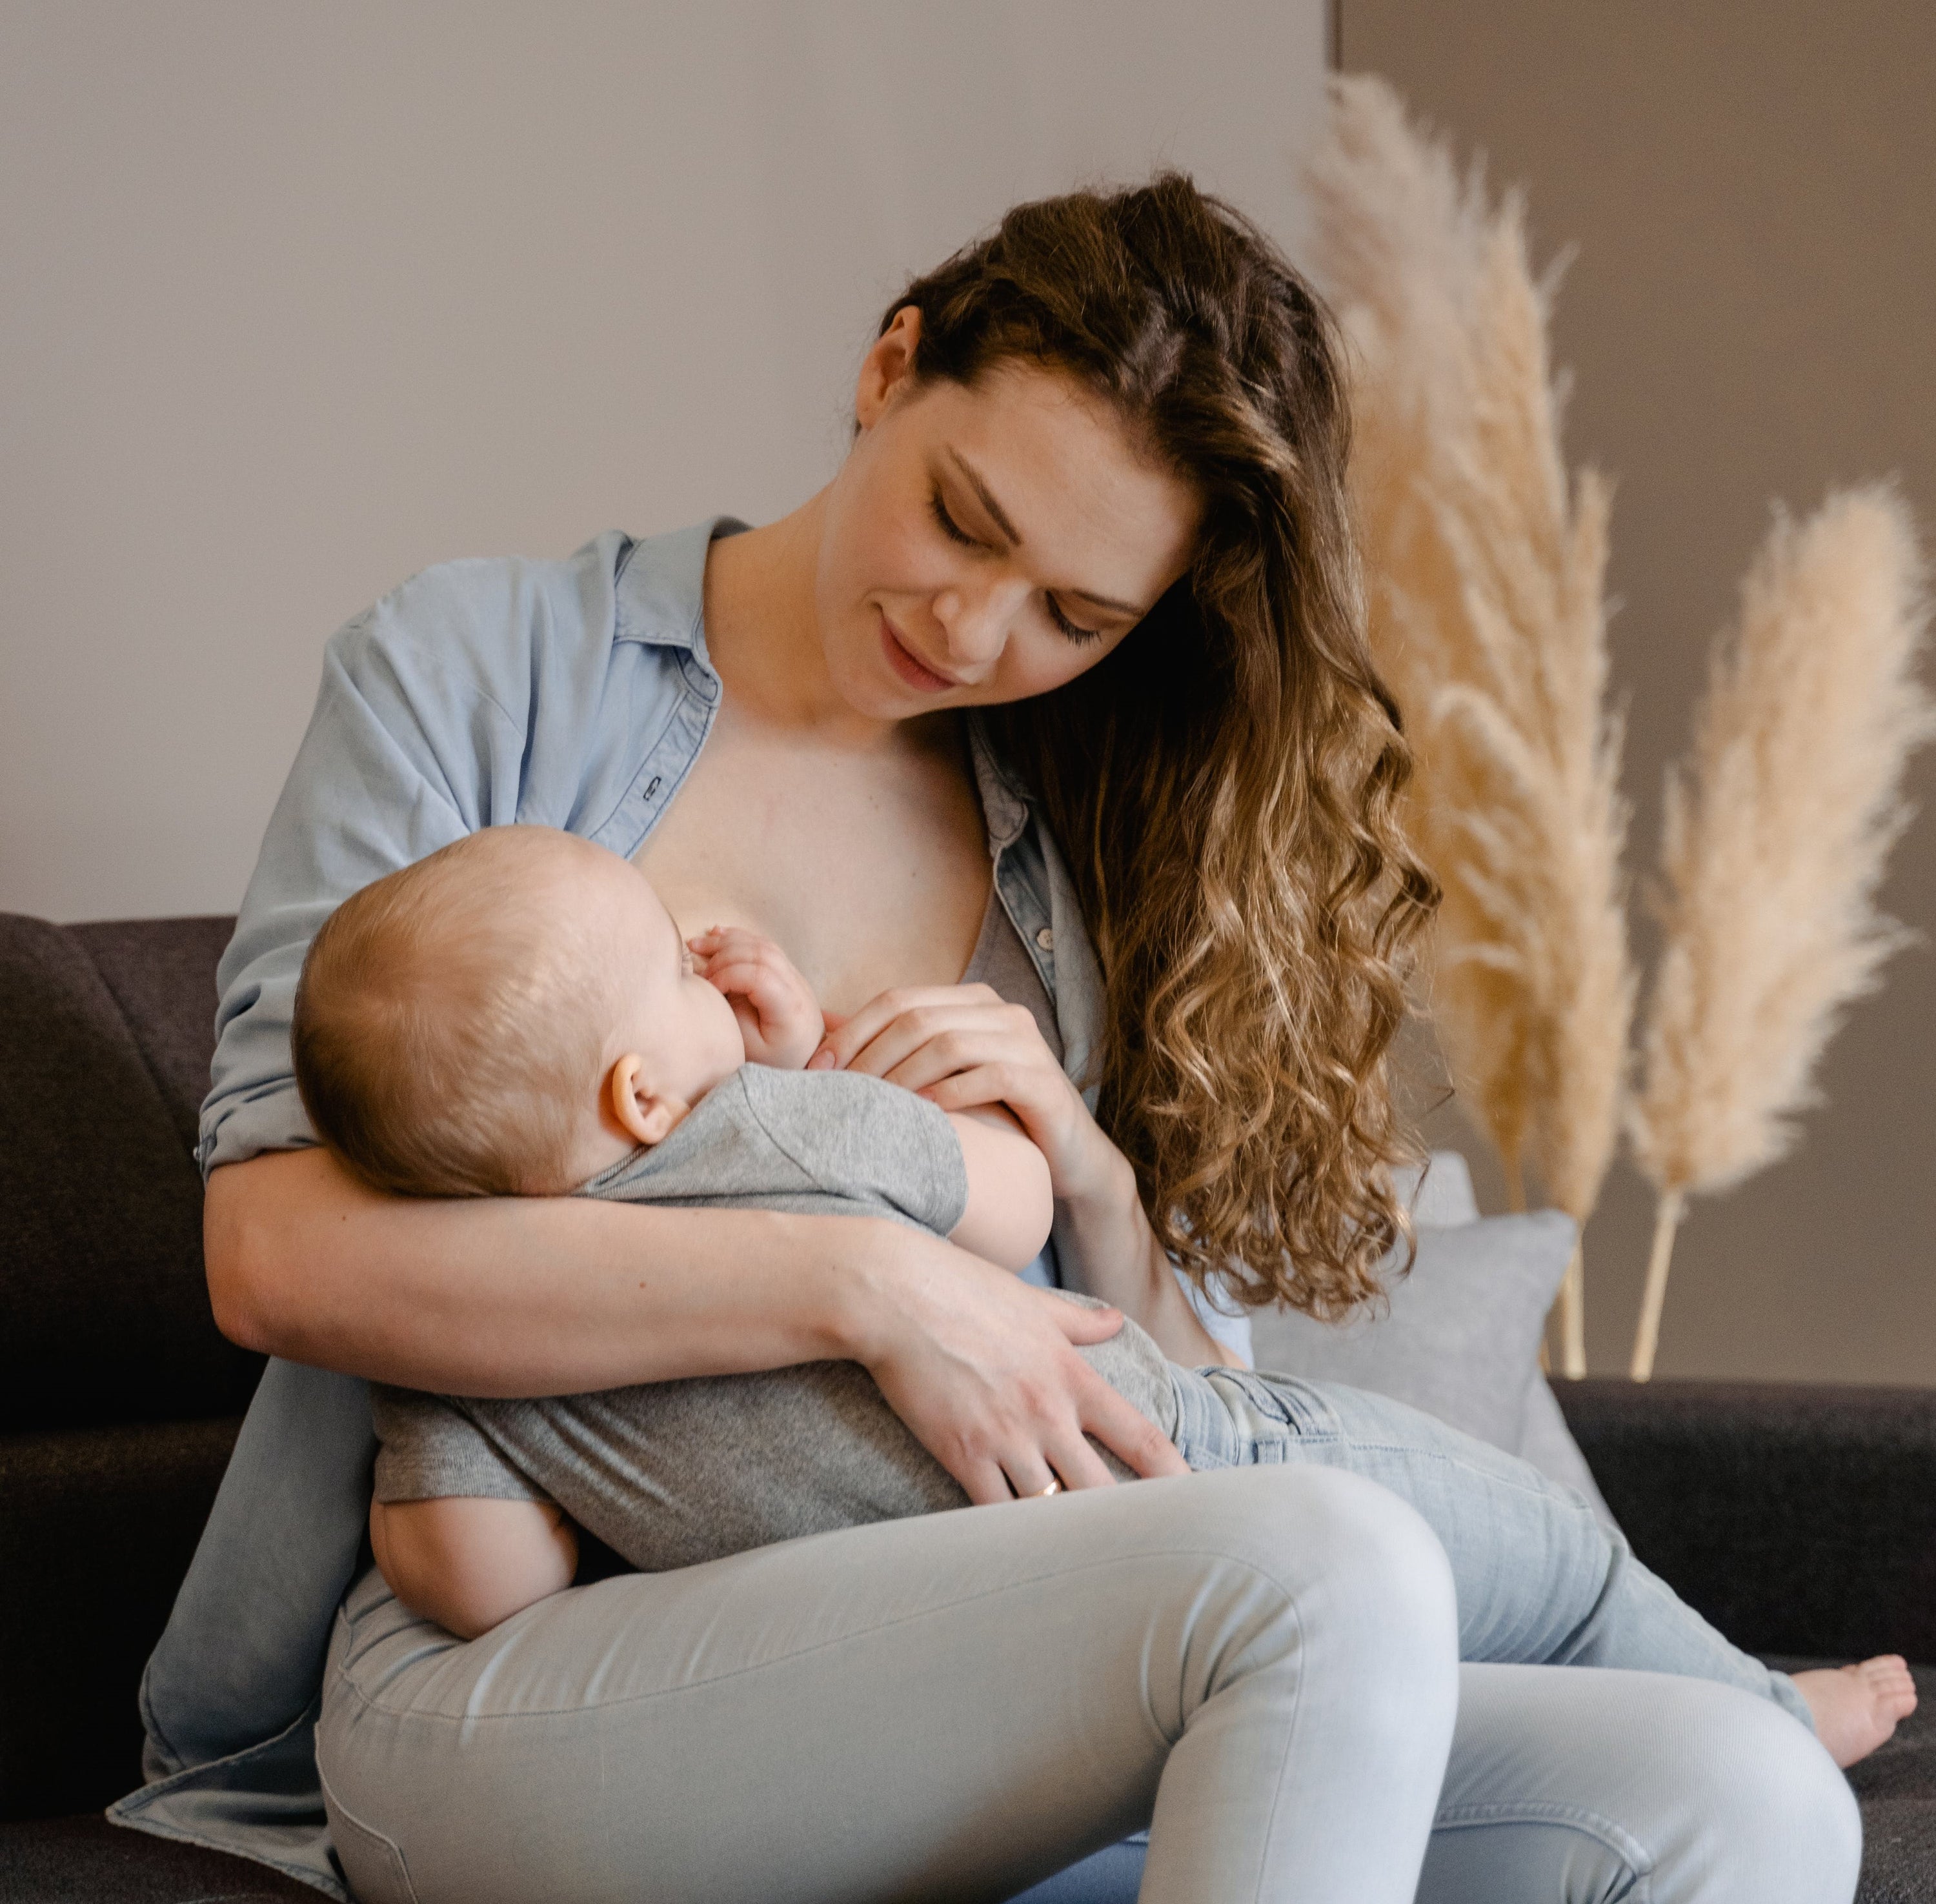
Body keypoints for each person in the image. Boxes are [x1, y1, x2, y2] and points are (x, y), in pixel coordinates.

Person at [117, 176, 1875, 1904]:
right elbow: (276, 1254)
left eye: (1075, 615)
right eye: (964, 518)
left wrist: (1097, 1191)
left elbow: (1170, 1413)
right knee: (1325, 1564)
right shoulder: (480, 670)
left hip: (1001, 1638)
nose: (972, 633)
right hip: (532, 1679)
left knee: (1748, 1798)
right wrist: (874, 1286)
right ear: (892, 370)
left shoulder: (1082, 819)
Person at [290, 817, 1904, 1796]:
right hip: (1198, 1460)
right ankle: (1760, 1707)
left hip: (978, 1636)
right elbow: (999, 1200)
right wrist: (798, 1064)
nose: (709, 960)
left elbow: (476, 1580)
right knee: (1547, 1560)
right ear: (648, 1090)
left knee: (1404, 1661)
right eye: (673, 961)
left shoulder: (472, 1349)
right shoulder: (752, 1129)